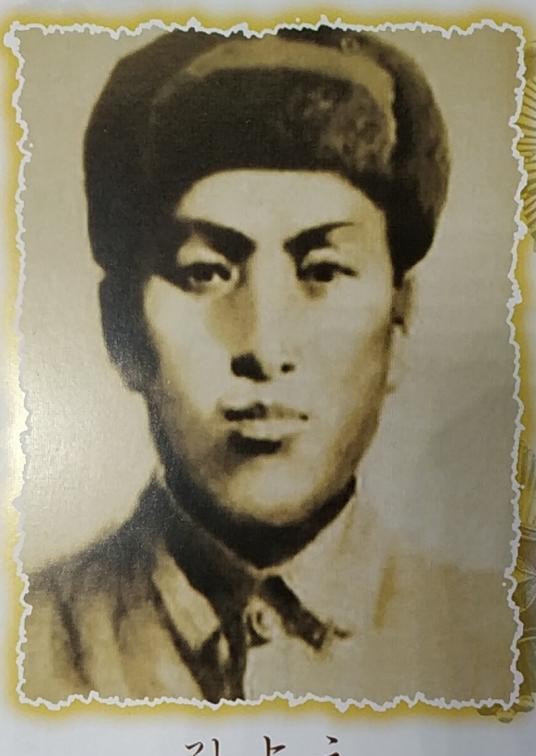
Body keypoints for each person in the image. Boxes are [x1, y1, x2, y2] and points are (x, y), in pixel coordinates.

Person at [21, 26, 517, 706]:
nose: (264, 345)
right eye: (205, 272)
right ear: (122, 328)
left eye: (323, 271)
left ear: (399, 319)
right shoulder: (23, 649)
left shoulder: (502, 649)